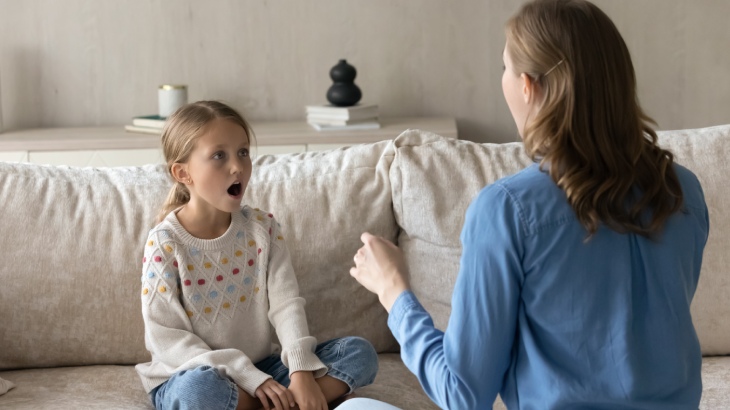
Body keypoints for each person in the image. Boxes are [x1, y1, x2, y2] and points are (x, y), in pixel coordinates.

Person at [348, 0, 709, 409]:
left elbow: (463, 396)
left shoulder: (506, 210)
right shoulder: (685, 192)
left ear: (528, 86)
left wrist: (394, 292)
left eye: (505, 67)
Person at [135, 100, 377, 410]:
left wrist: (300, 372)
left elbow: (286, 304)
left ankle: (276, 401)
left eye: (243, 152)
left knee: (359, 353)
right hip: (189, 374)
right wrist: (246, 375)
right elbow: (167, 340)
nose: (237, 166)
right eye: (219, 156)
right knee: (198, 391)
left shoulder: (263, 228)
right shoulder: (165, 243)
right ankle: (295, 403)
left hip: (265, 369)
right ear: (183, 172)